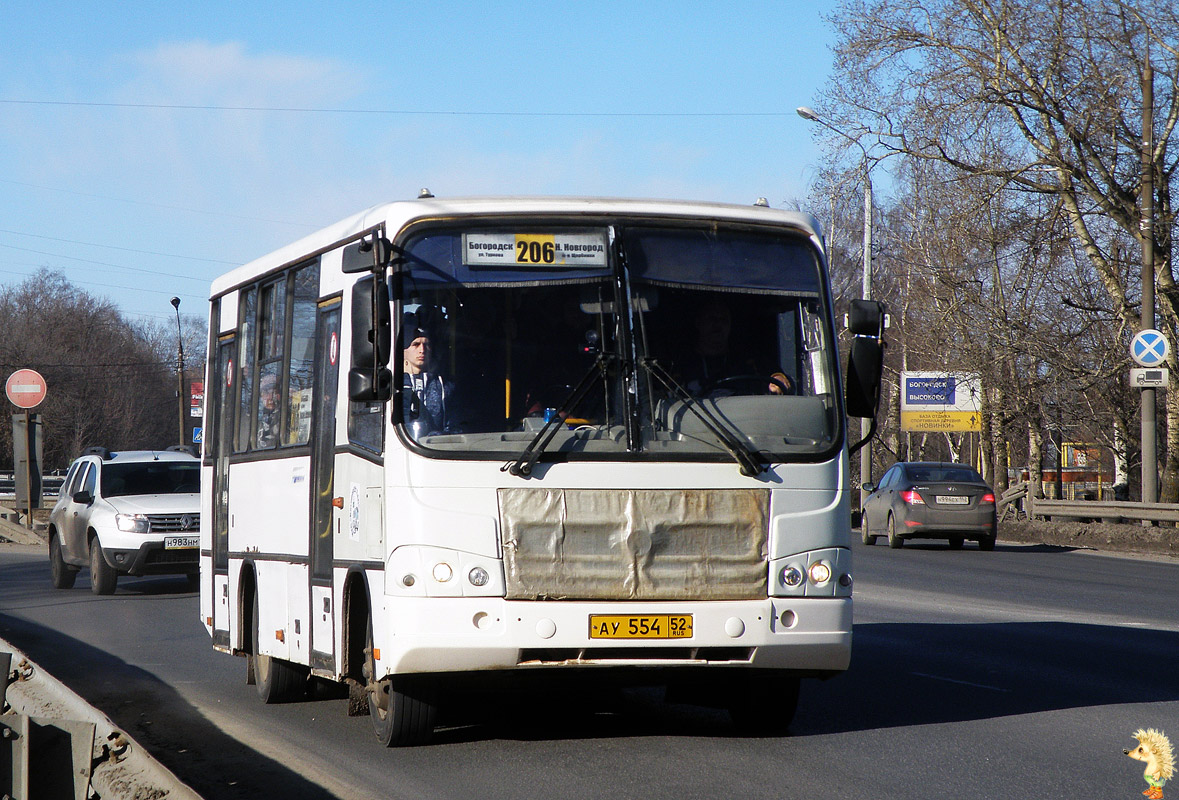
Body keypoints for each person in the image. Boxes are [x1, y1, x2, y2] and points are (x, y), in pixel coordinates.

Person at [679, 300, 794, 396]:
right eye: (712, 319)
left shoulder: (749, 361)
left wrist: (778, 378)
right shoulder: (682, 364)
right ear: (698, 323)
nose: (718, 324)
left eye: (723, 319)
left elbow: (781, 380)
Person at [401, 315, 451, 437]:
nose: (422, 350)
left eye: (426, 344)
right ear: (404, 350)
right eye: (415, 344)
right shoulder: (394, 383)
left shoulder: (442, 384)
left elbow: (453, 422)